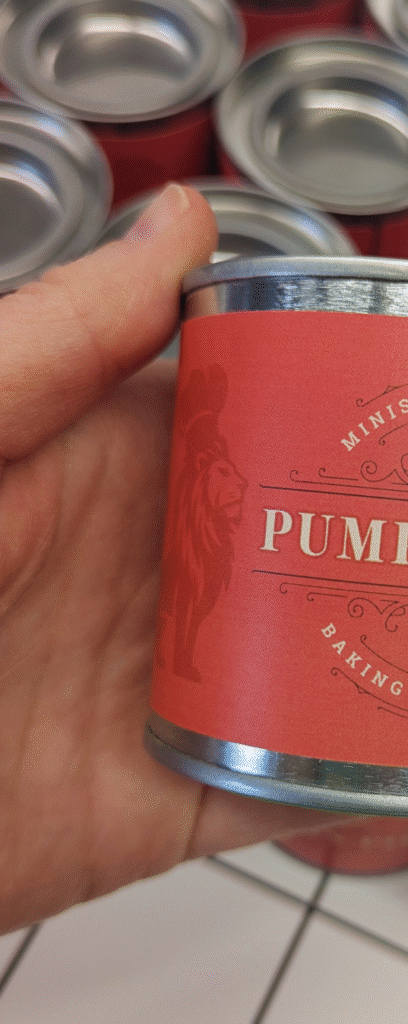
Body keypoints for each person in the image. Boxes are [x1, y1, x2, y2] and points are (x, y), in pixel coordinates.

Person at [0, 183, 342, 937]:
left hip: (207, 535)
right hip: (192, 529)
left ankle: (191, 657)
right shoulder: (208, 431)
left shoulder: (219, 435)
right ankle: (189, 658)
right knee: (201, 593)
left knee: (211, 591)